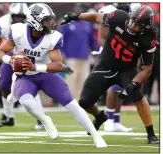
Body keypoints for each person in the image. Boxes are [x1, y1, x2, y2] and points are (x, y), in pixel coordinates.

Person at [0, 3, 107, 148]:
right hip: (26, 77)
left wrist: (35, 66)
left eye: (50, 19)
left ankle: (96, 135)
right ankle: (45, 120)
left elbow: (58, 65)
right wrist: (10, 60)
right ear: (34, 21)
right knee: (27, 102)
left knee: (72, 104)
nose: (51, 23)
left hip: (45, 75)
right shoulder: (18, 31)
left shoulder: (53, 37)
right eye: (46, 20)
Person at [61, 5, 159, 144]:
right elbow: (96, 17)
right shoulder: (119, 17)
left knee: (138, 97)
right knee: (84, 102)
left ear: (145, 27)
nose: (132, 26)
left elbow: (146, 69)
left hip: (127, 69)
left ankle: (151, 134)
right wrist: (76, 16)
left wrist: (132, 84)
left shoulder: (148, 38)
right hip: (106, 65)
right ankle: (100, 117)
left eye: (137, 25)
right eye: (131, 21)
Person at [0, 3, 44, 130]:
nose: (18, 19)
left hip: (28, 52)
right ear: (10, 14)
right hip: (11, 53)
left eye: (21, 17)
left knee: (30, 84)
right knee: (4, 84)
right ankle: (8, 116)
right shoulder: (2, 24)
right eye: (16, 16)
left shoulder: (33, 23)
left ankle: (41, 118)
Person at [97, 3, 137, 132]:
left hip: (124, 55)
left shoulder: (134, 12)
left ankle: (116, 120)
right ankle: (109, 120)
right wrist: (113, 52)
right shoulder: (110, 12)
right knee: (114, 87)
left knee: (121, 88)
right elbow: (101, 37)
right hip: (110, 55)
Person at [58, 4, 99, 101]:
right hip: (70, 56)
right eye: (76, 9)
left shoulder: (87, 24)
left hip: (84, 56)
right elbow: (60, 39)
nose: (77, 11)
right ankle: (69, 100)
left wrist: (96, 52)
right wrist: (61, 52)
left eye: (80, 10)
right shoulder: (67, 23)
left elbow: (92, 40)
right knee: (72, 78)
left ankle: (80, 100)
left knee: (83, 79)